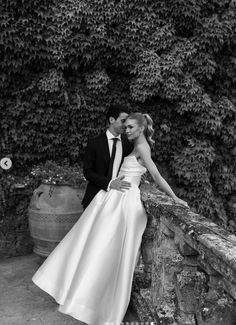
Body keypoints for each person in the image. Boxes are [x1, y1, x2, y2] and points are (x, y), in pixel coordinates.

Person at [32, 112, 188, 325]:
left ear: (141, 129)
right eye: (126, 127)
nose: (127, 130)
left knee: (105, 250)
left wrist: (175, 198)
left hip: (123, 203)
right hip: (113, 199)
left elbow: (156, 175)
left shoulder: (142, 148)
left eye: (131, 127)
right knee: (91, 246)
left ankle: (94, 302)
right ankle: (80, 294)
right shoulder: (133, 146)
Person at [82, 104, 134, 209]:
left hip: (119, 199)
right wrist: (109, 183)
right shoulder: (94, 143)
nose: (126, 126)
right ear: (111, 120)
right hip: (95, 197)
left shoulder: (128, 144)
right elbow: (88, 172)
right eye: (123, 121)